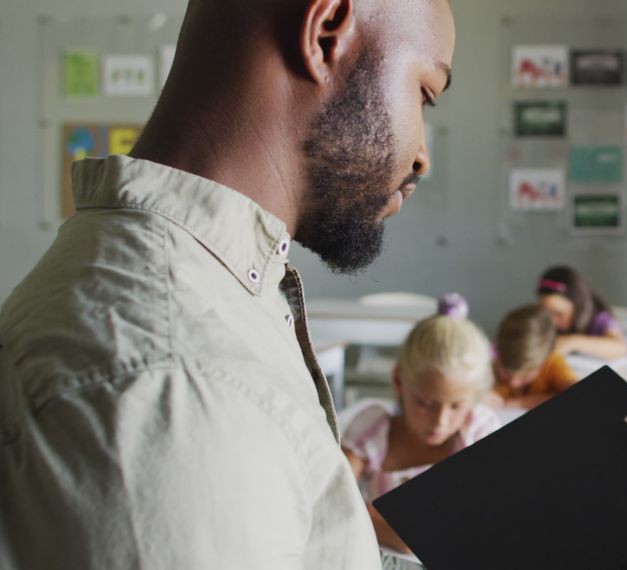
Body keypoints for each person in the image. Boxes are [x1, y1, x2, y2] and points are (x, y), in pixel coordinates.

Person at [0, 0, 455, 567]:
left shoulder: (209, 300)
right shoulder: (178, 387)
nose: (421, 158)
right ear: (326, 32)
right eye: (425, 93)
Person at [341, 295, 499, 553]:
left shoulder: (477, 432)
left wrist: (372, 519)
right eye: (425, 403)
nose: (440, 421)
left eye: (457, 406)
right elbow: (331, 497)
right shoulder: (373, 430)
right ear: (399, 381)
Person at [491, 304, 579, 409]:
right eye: (507, 373)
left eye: (525, 376)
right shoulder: (490, 364)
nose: (514, 382)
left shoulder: (552, 363)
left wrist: (512, 403)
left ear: (544, 360)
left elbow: (578, 396)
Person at [536, 265, 627, 360]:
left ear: (577, 306)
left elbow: (621, 348)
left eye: (559, 313)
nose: (552, 321)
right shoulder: (545, 323)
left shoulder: (599, 319)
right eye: (547, 314)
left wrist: (572, 341)